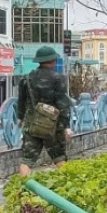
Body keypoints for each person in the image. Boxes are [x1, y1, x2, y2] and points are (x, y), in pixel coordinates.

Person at [17, 45, 73, 176]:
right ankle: (67, 187)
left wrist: (21, 118)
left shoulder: (26, 79)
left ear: (39, 61)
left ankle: (22, 189)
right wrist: (66, 126)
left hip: (32, 124)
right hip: (53, 126)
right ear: (53, 61)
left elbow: (21, 102)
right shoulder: (58, 78)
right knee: (59, 157)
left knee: (27, 160)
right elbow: (63, 105)